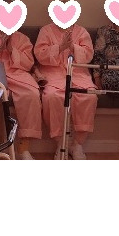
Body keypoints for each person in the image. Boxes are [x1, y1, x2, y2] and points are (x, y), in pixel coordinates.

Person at [0, 26, 43, 160]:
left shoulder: (22, 39)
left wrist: (12, 51)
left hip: (18, 75)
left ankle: (24, 148)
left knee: (31, 95)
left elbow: (28, 64)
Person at [34, 21, 95, 159]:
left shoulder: (81, 31)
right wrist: (60, 47)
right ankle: (61, 143)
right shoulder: (46, 30)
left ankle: (78, 144)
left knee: (89, 96)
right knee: (52, 96)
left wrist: (72, 47)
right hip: (53, 73)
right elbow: (40, 54)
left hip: (78, 73)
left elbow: (89, 55)